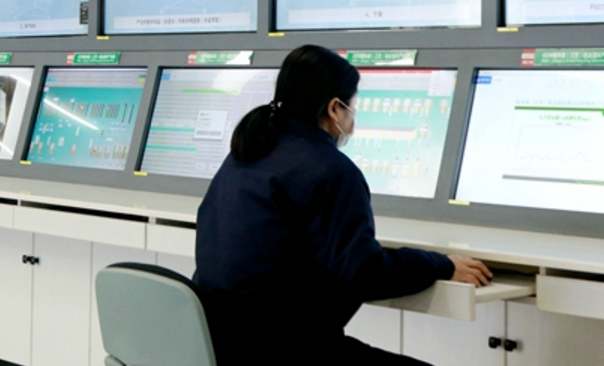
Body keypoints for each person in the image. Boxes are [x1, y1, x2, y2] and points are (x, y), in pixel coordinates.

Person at [194, 45, 492, 366]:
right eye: (353, 108)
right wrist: (441, 265)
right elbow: (364, 273)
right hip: (283, 349)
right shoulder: (331, 170)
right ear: (335, 108)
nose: (353, 122)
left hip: (221, 345)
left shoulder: (246, 154)